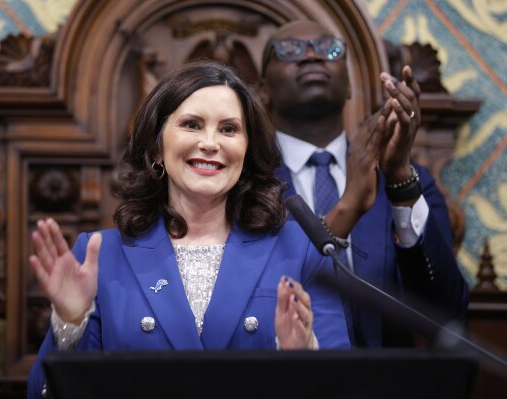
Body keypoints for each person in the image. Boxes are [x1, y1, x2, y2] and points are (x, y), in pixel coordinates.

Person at [27, 59, 389, 398]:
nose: (211, 143)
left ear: (246, 150)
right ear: (156, 147)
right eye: (192, 125)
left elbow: (341, 387)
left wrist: (301, 355)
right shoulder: (99, 255)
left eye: (229, 129)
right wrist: (70, 323)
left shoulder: (301, 248)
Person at [260, 20, 469, 347]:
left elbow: (446, 311)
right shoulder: (245, 184)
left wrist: (400, 181)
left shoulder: (408, 182)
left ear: (350, 86)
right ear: (263, 89)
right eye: (290, 50)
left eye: (330, 50)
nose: (313, 57)